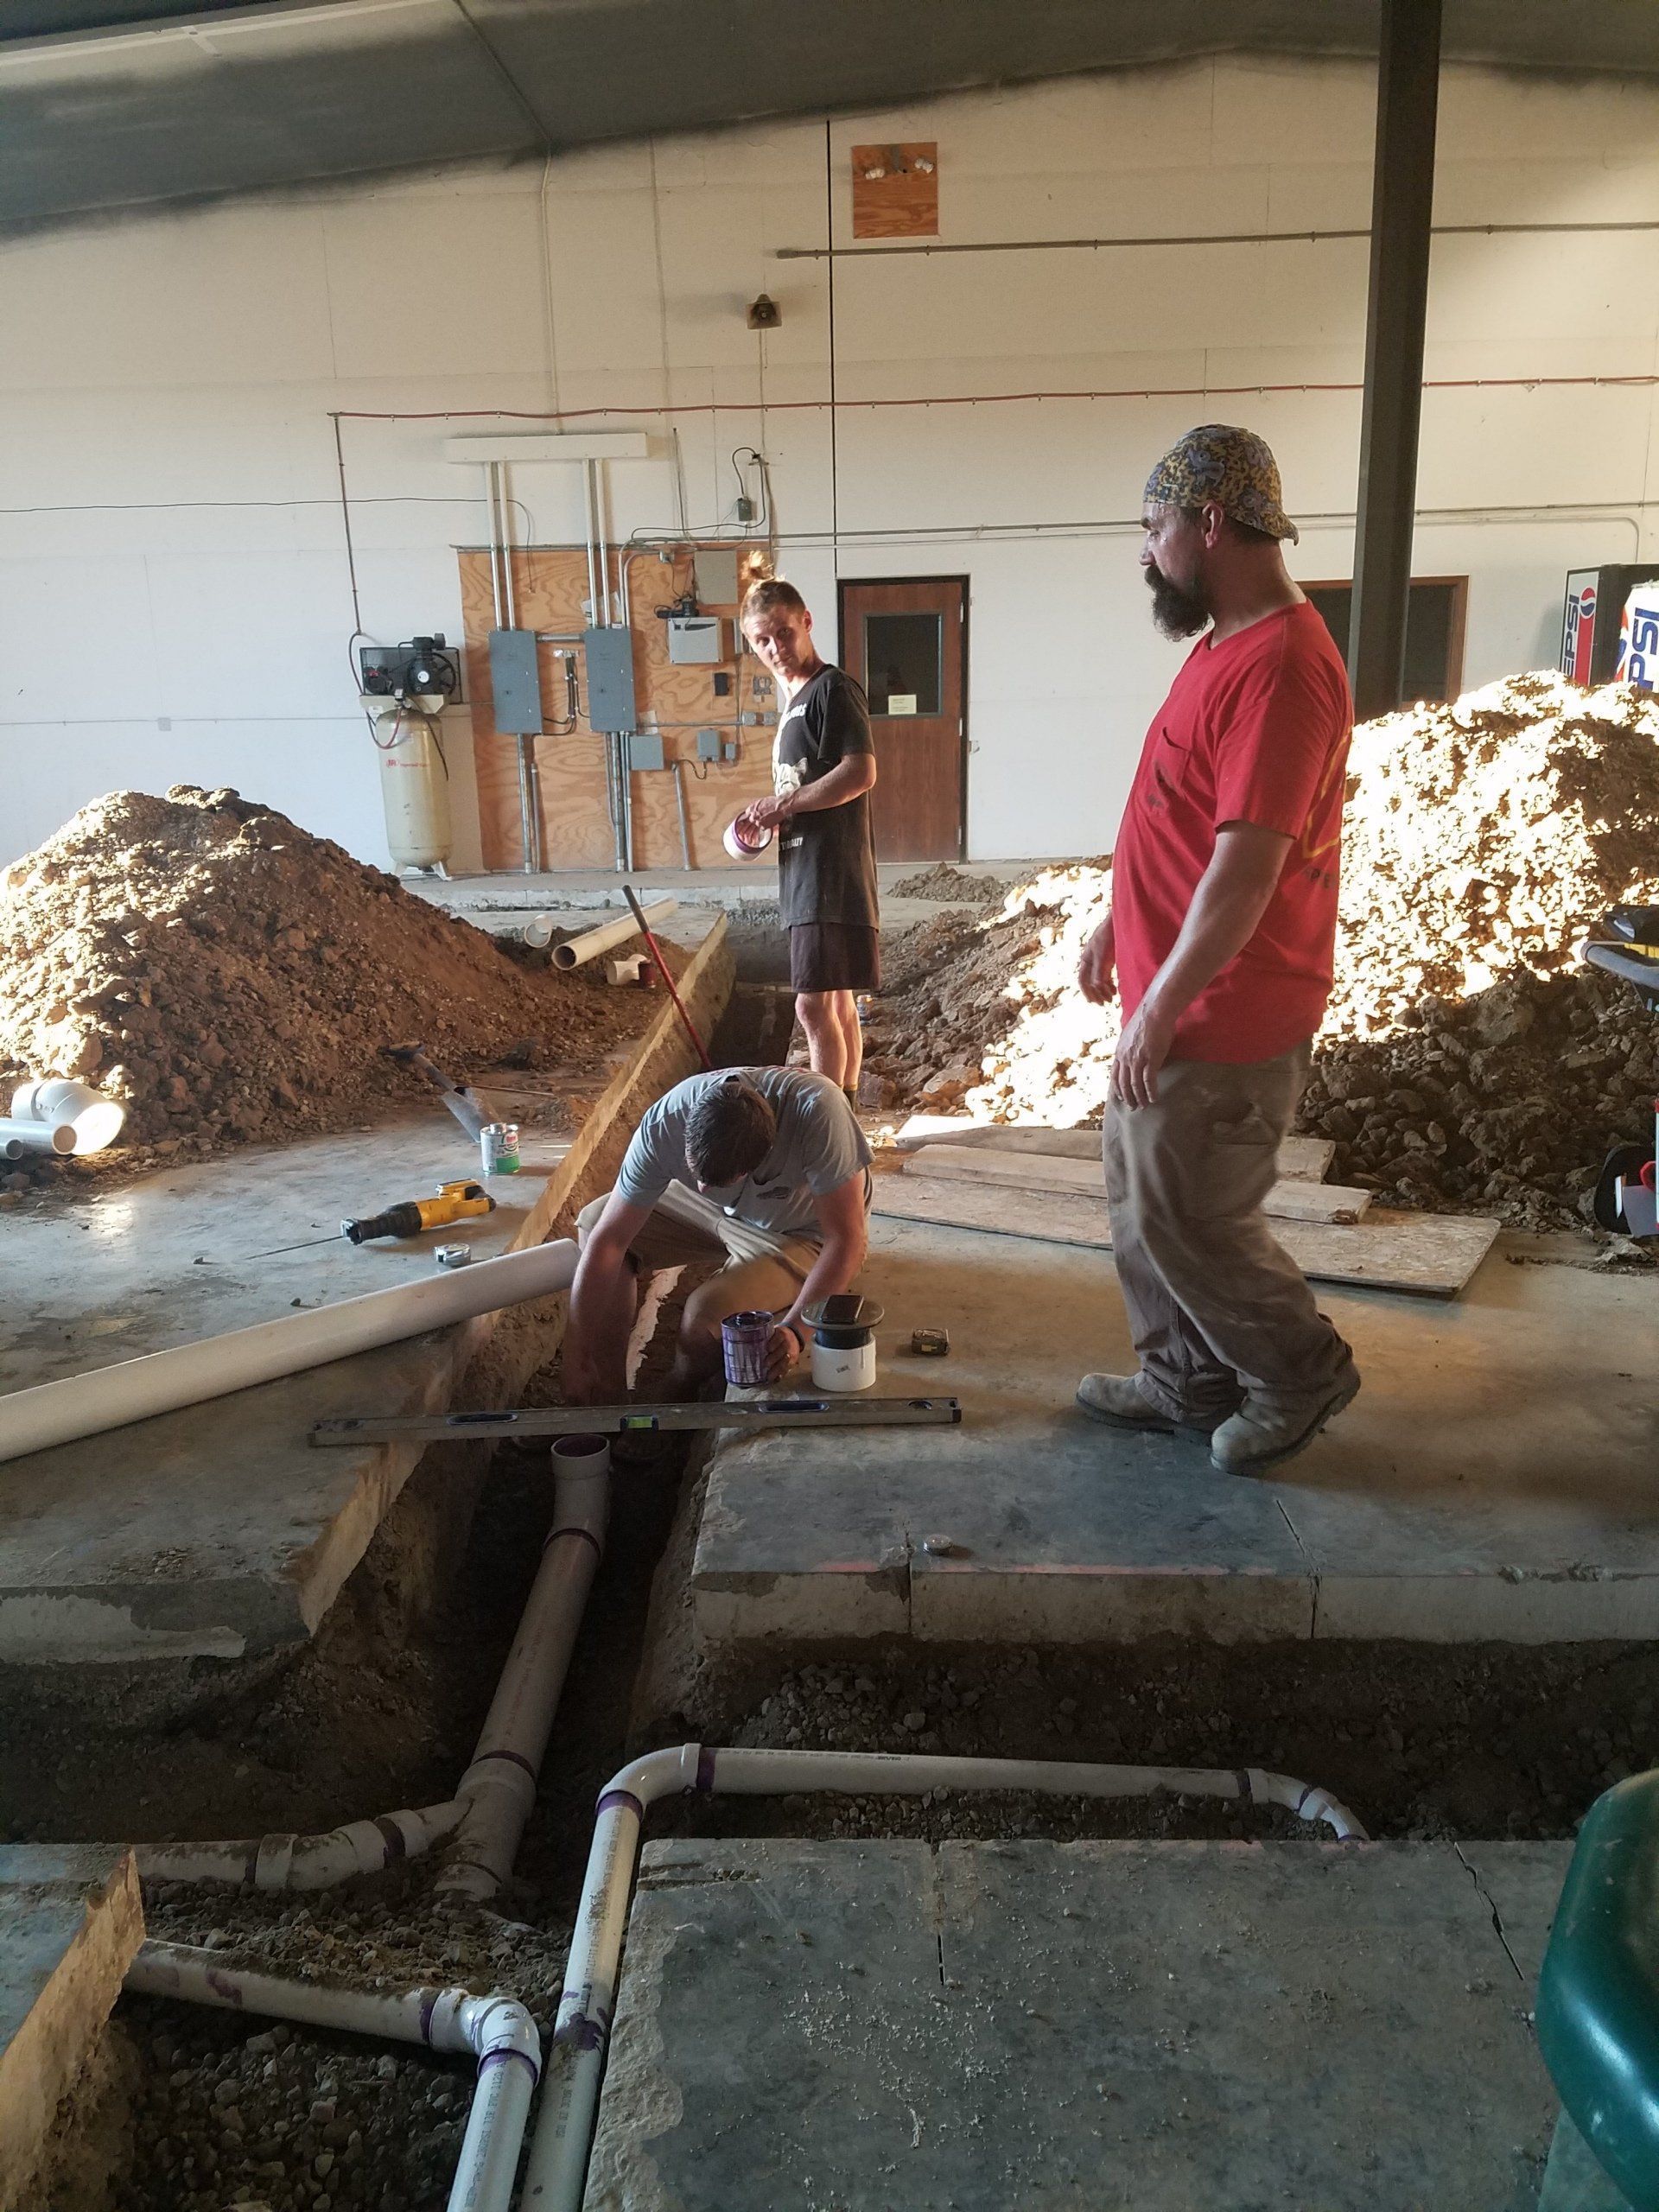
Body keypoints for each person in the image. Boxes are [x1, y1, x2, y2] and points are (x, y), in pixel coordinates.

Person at [1075, 423, 1360, 1475]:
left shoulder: (1283, 668)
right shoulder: (1223, 644)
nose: (1144, 552)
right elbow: (1183, 808)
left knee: (1193, 1212)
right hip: (1170, 992)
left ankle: (1298, 1371)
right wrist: (1121, 916)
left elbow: (1246, 871)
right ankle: (1184, 1382)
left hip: (1226, 1010)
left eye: (1153, 529)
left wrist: (1161, 1005)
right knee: (1137, 1200)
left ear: (1208, 522)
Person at [564, 1065, 871, 1403]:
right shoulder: (665, 1123)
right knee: (596, 1223)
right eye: (695, 1173)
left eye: (718, 1182)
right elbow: (610, 1241)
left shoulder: (818, 1112)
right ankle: (609, 1393)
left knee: (705, 1323)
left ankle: (678, 1392)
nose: (703, 1187)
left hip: (800, 1228)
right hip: (716, 1210)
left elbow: (847, 1241)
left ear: (758, 1162)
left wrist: (797, 1331)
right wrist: (577, 1358)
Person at [734, 580, 880, 1109]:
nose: (775, 648)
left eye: (784, 633)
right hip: (808, 870)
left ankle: (826, 1126)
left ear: (807, 623)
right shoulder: (794, 703)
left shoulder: (831, 690)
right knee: (835, 1002)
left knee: (812, 1009)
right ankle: (845, 1119)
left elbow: (860, 772)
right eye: (762, 640)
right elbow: (804, 787)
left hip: (829, 873)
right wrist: (768, 814)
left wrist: (785, 806)